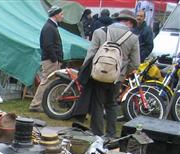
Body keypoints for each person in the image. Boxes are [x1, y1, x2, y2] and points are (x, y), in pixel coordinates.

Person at [72, 9, 140, 138]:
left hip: (98, 75)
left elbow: (91, 54)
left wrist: (87, 71)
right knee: (112, 104)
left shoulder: (99, 32)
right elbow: (136, 63)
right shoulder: (133, 38)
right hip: (116, 77)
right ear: (129, 22)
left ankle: (97, 133)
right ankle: (111, 134)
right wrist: (123, 72)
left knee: (97, 103)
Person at [29, 6, 65, 112]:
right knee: (47, 81)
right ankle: (36, 105)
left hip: (51, 59)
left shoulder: (51, 26)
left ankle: (45, 104)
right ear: (56, 14)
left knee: (50, 82)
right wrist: (55, 59)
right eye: (61, 14)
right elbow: (47, 45)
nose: (63, 16)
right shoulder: (49, 27)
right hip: (50, 60)